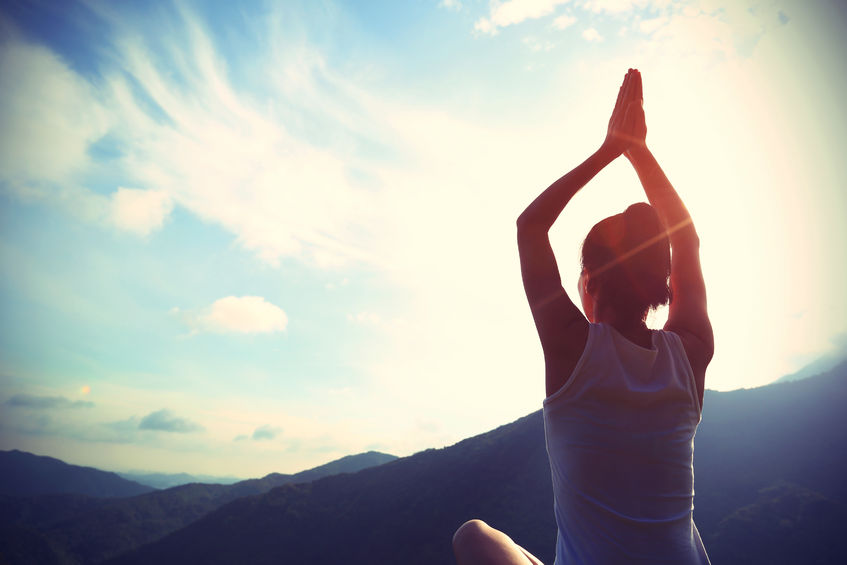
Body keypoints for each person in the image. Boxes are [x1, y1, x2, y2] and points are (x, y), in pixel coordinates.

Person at [452, 69, 714, 564]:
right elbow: (688, 238)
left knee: (472, 536)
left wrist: (611, 149)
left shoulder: (573, 349)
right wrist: (638, 151)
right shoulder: (691, 353)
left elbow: (530, 226)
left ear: (590, 281)